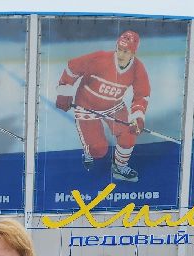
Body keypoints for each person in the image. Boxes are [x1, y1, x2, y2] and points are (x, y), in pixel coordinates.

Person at [55, 31, 150, 183]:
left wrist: (137, 117)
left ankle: (120, 167)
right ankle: (89, 152)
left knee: (129, 135)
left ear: (133, 52)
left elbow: (142, 95)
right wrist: (64, 92)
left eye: (126, 51)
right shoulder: (99, 58)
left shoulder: (138, 68)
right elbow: (72, 68)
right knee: (99, 151)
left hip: (114, 106)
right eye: (119, 49)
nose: (121, 54)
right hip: (86, 106)